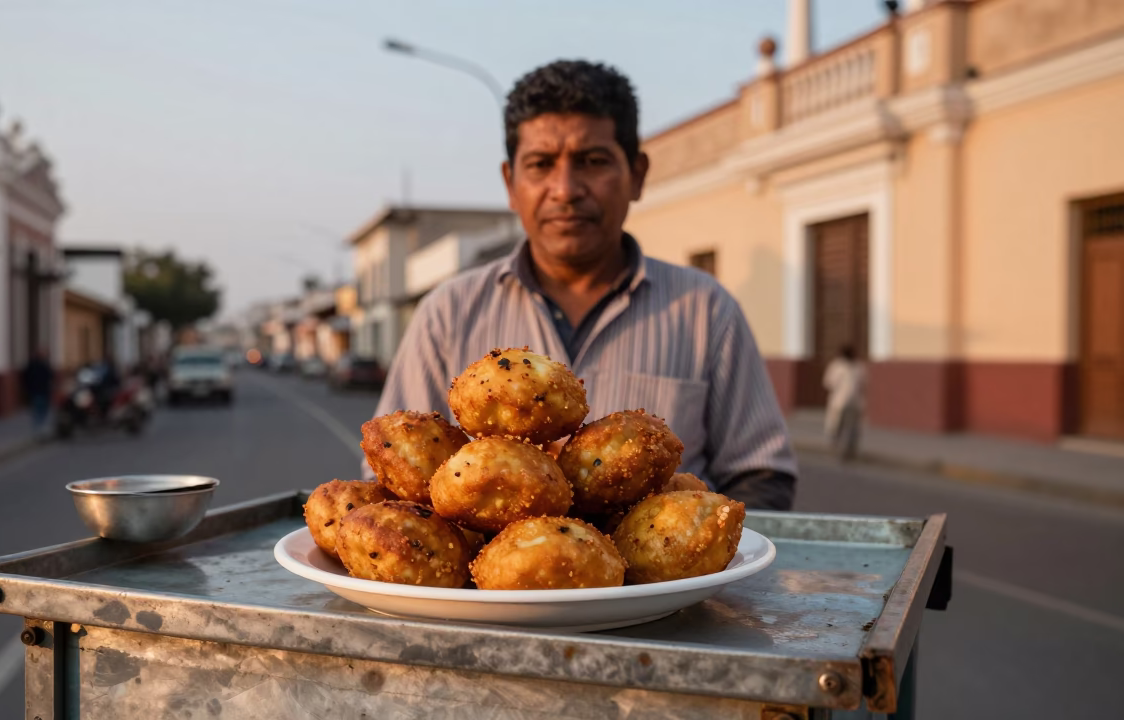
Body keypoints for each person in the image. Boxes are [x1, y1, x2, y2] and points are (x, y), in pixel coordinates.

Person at [370, 60, 796, 510]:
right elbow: (393, 472)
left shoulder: (707, 311)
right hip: (490, 578)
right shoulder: (447, 312)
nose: (566, 189)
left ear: (637, 175)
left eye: (593, 162)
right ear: (510, 183)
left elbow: (762, 475)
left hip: (669, 577)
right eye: (540, 164)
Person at [823, 344, 866, 461]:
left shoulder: (857, 367)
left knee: (850, 428)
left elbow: (864, 384)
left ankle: (847, 450)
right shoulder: (839, 366)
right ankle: (839, 449)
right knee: (838, 427)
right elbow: (829, 383)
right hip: (842, 402)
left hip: (850, 402)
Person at [21, 348, 55, 435]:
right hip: (37, 390)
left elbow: (51, 376)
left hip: (42, 390)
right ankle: (38, 427)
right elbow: (26, 378)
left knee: (42, 409)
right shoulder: (33, 365)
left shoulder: (43, 365)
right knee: (38, 409)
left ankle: (39, 427)